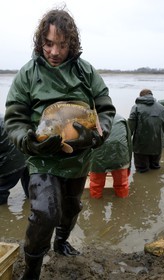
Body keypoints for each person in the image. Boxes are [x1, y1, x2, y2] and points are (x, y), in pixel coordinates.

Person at [4, 7, 116, 280]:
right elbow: (15, 120)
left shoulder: (86, 71)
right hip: (42, 158)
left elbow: (105, 110)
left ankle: (61, 242)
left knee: (71, 207)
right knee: (44, 212)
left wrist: (96, 136)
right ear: (40, 41)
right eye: (48, 43)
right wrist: (29, 142)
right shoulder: (27, 74)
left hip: (79, 160)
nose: (54, 51)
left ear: (72, 44)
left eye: (62, 45)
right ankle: (31, 270)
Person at [89, 114, 132, 198]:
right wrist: (128, 165)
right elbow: (129, 143)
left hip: (98, 157)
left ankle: (96, 207)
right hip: (120, 156)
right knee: (122, 185)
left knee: (96, 185)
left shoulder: (91, 119)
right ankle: (122, 204)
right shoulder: (122, 118)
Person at [128, 89, 164, 173]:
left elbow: (130, 127)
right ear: (151, 95)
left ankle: (142, 183)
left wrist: (127, 141)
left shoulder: (136, 107)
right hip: (158, 145)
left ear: (141, 96)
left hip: (141, 146)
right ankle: (155, 183)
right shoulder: (163, 109)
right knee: (155, 167)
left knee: (141, 170)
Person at [0, 114, 29, 205]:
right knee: (32, 190)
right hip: (26, 151)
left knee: (1, 189)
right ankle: (31, 207)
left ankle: (3, 214)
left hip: (12, 158)